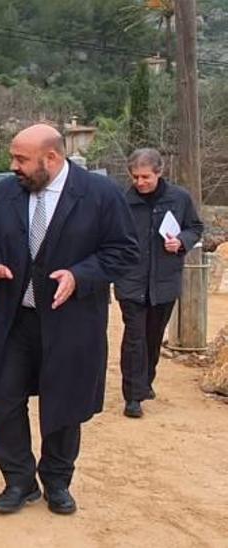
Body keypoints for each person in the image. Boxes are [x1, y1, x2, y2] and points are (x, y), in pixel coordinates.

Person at [0, 124, 138, 516]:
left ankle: (58, 481)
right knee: (4, 400)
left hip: (71, 322)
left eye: (21, 159)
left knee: (64, 403)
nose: (13, 166)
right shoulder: (7, 194)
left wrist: (81, 275)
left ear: (51, 158)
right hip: (15, 320)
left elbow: (124, 251)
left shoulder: (100, 194)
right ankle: (18, 480)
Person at [114, 148, 204, 418]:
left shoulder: (180, 198)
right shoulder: (122, 201)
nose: (140, 182)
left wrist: (182, 242)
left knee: (152, 338)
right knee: (134, 338)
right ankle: (132, 396)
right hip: (131, 281)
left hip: (164, 282)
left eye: (145, 177)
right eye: (135, 177)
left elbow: (195, 228)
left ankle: (146, 380)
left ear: (159, 172)